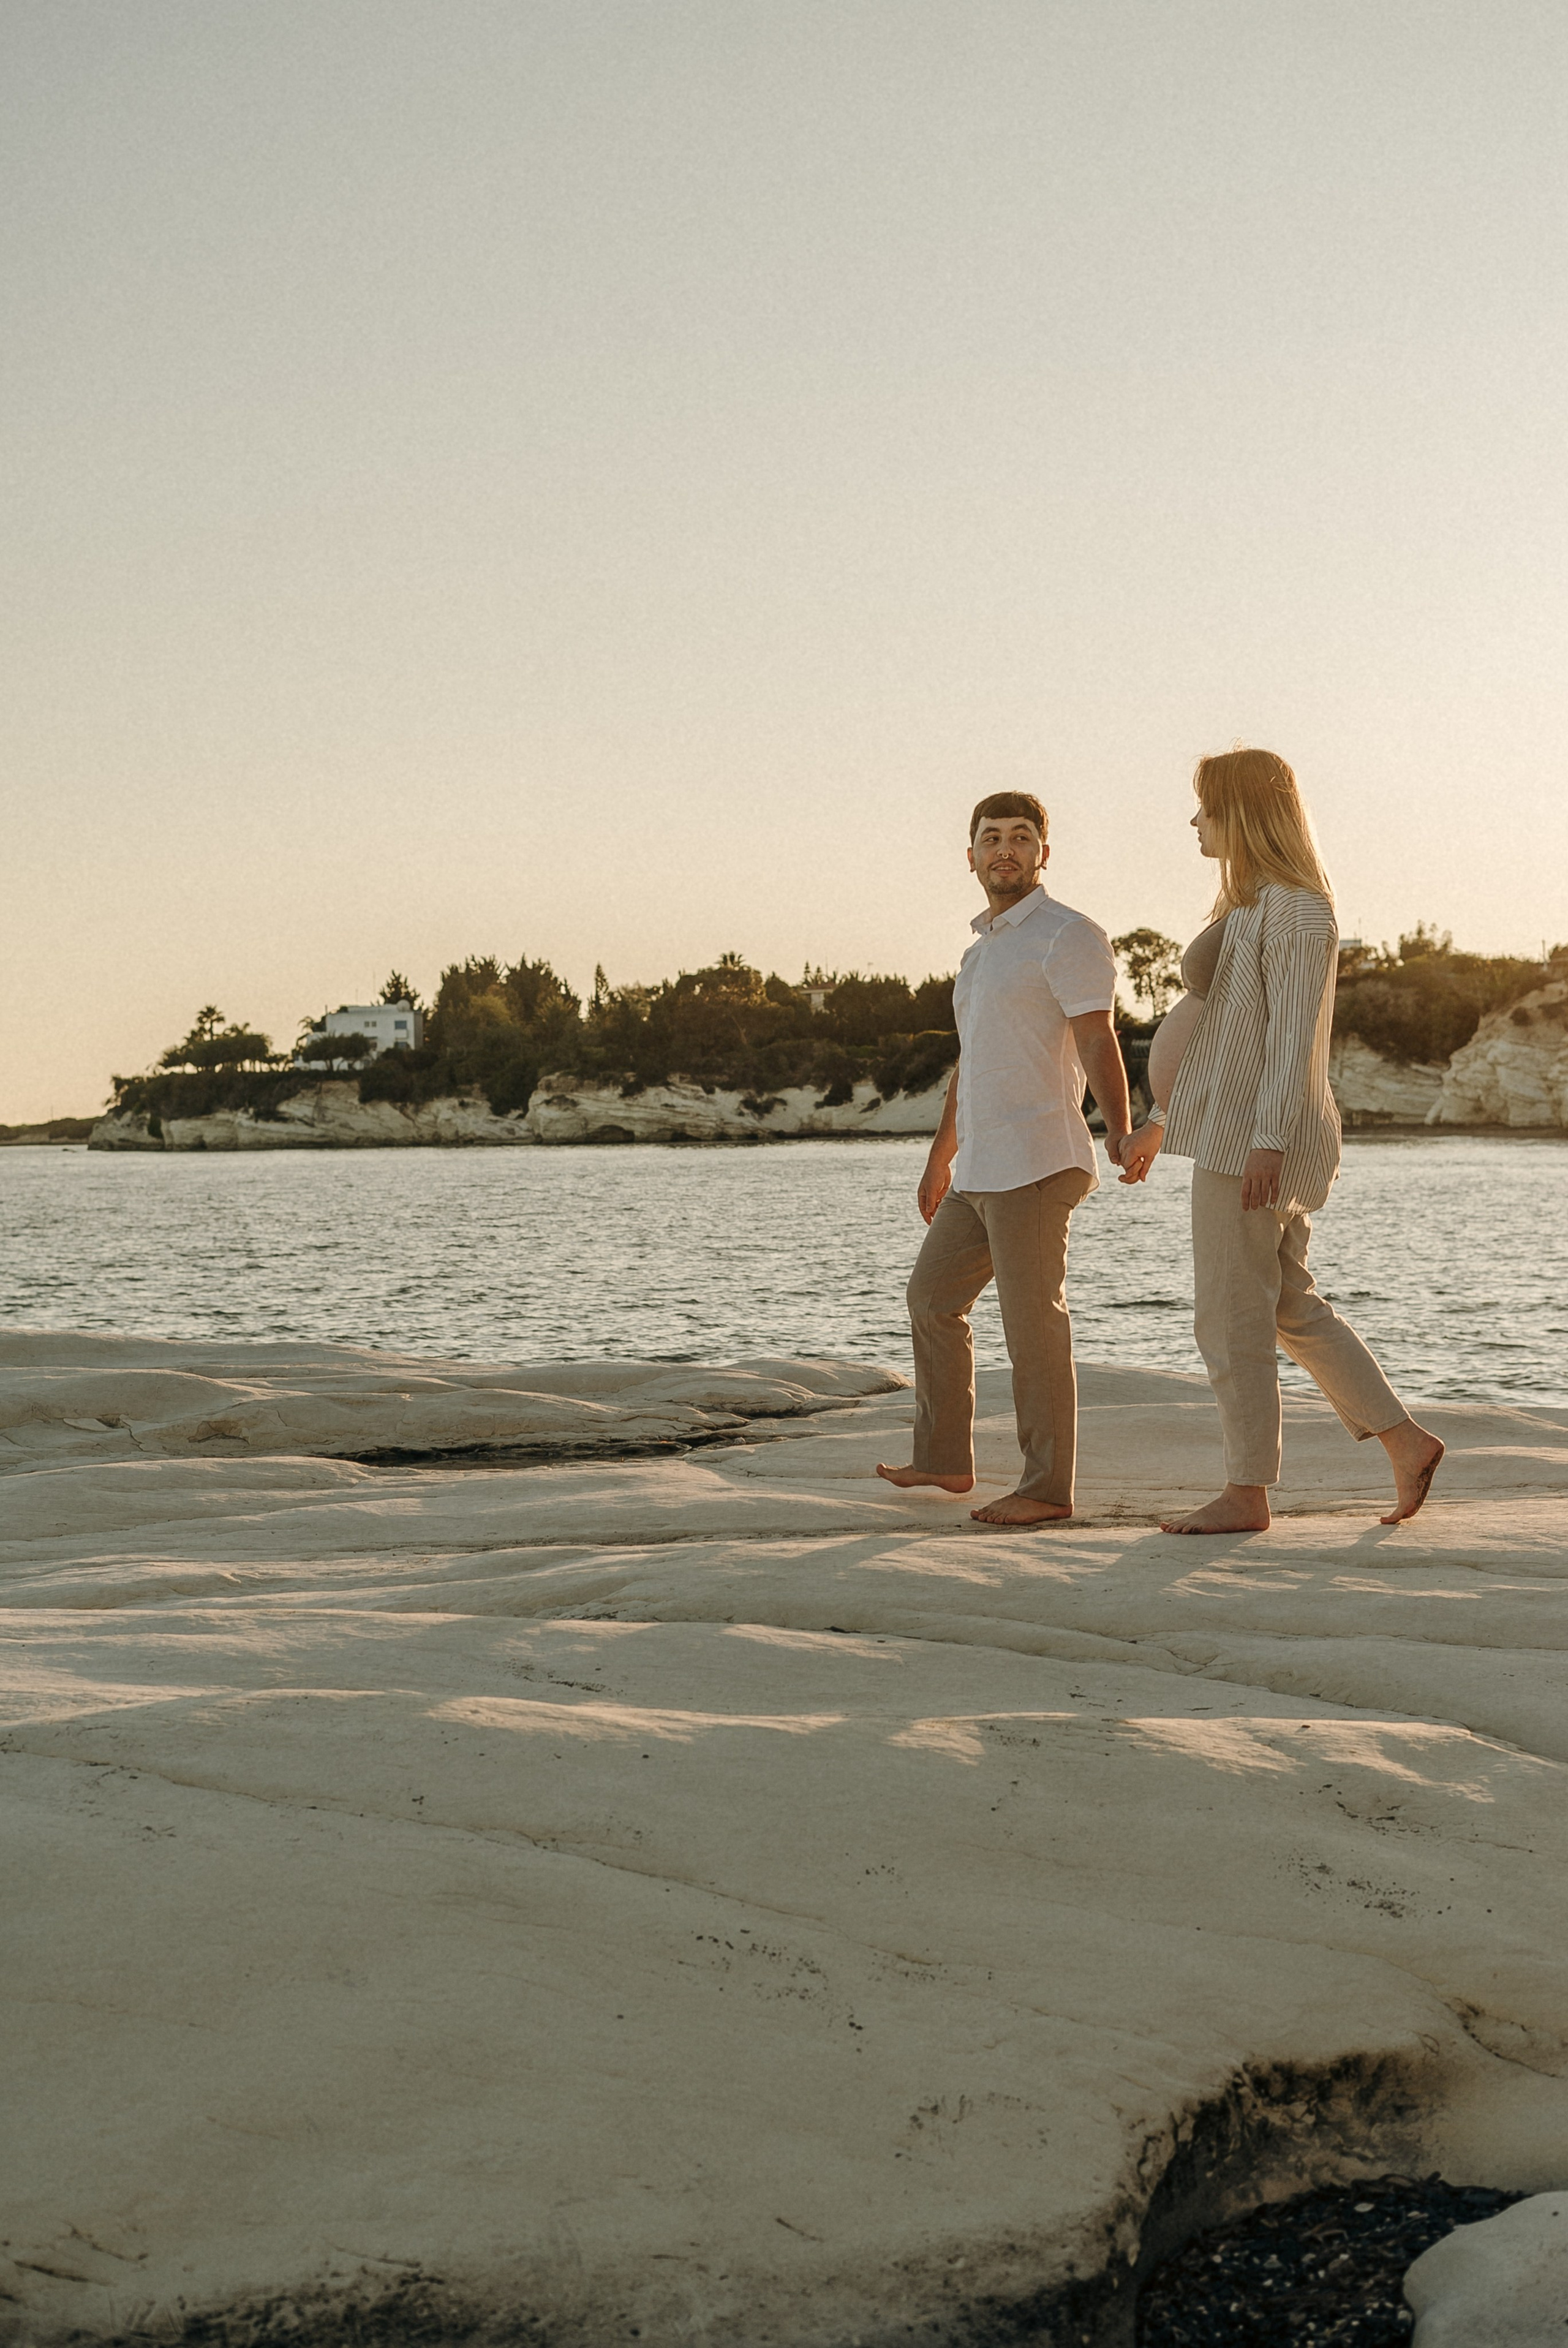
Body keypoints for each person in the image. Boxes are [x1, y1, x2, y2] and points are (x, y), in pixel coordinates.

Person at [1118, 747, 1444, 1533]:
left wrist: (1265, 1139)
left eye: (1206, 807)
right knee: (1285, 1304)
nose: (1193, 822)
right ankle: (1405, 1440)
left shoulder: (1297, 908)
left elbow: (1293, 1040)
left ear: (1245, 811)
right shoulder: (1255, 901)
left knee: (1230, 1314)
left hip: (1256, 1141)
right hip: (1233, 1132)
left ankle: (1246, 1492)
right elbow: (1226, 1034)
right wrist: (1161, 1121)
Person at [877, 792, 1130, 1527]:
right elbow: (972, 1062)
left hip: (1040, 1158)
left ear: (1043, 854)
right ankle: (947, 1459)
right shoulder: (978, 951)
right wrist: (938, 1158)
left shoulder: (1067, 934)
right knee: (931, 1299)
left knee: (1032, 1325)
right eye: (992, 838)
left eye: (1022, 837)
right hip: (981, 1165)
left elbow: (1096, 1035)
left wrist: (1117, 1126)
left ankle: (1048, 1488)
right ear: (971, 857)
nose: (1006, 850)